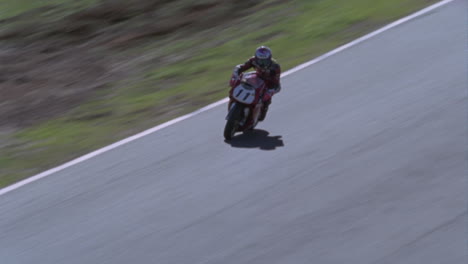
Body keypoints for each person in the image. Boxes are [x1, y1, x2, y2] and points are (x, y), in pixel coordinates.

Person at [230, 46, 281, 121]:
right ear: (256, 58)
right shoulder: (253, 60)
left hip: (269, 82)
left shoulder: (275, 67)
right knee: (243, 82)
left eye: (265, 61)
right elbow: (243, 67)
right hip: (258, 77)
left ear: (269, 59)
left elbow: (276, 81)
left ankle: (262, 111)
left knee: (266, 97)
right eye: (260, 61)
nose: (262, 63)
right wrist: (237, 71)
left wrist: (271, 89)